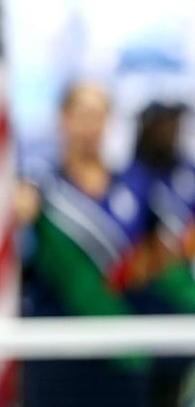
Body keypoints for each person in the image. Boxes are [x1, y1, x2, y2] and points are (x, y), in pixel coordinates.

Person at [17, 81, 152, 407]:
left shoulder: (136, 183)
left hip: (123, 350)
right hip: (57, 350)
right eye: (81, 113)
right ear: (63, 119)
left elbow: (161, 255)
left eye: (97, 114)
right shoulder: (40, 184)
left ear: (109, 120)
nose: (88, 125)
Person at [124, 100, 195, 407]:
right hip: (148, 311)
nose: (171, 132)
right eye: (164, 124)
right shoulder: (128, 181)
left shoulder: (188, 174)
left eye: (176, 124)